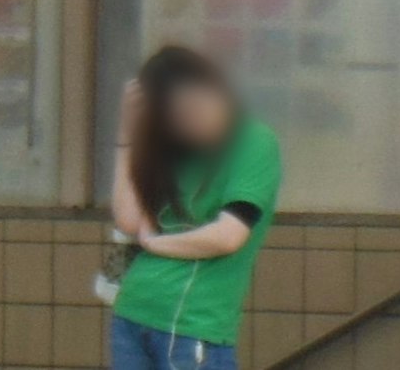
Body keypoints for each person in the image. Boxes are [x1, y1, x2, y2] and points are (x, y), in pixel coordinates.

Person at [108, 44, 287, 370]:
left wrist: (155, 243)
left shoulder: (254, 140)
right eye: (176, 119)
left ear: (216, 88)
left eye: (195, 107)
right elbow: (129, 219)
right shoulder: (172, 151)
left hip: (190, 322)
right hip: (132, 312)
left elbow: (228, 236)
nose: (191, 122)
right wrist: (127, 138)